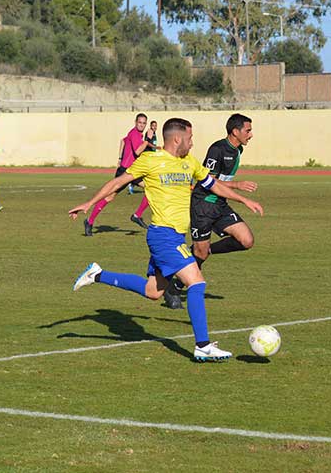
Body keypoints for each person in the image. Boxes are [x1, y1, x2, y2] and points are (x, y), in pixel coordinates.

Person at [69, 118, 264, 362]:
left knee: (153, 291)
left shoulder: (189, 162)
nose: (192, 143)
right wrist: (89, 203)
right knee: (196, 282)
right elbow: (118, 181)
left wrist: (243, 200)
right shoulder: (151, 160)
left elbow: (213, 184)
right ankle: (203, 345)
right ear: (177, 139)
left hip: (174, 236)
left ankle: (97, 274)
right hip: (163, 236)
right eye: (190, 138)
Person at [163, 113, 257, 309]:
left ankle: (204, 250)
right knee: (201, 252)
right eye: (248, 130)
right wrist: (237, 185)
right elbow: (208, 180)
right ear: (235, 131)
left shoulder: (237, 149)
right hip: (203, 205)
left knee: (246, 240)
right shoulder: (217, 149)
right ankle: (174, 288)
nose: (251, 134)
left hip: (220, 204)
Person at [84, 113, 154, 236]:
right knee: (109, 197)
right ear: (135, 122)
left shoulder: (136, 134)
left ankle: (137, 215)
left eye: (144, 123)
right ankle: (89, 221)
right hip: (125, 171)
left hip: (132, 171)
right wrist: (148, 140)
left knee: (152, 188)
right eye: (140, 122)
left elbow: (123, 141)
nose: (141, 125)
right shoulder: (134, 134)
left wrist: (120, 158)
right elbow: (138, 151)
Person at [128, 120, 160, 195]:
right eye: (153, 125)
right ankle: (135, 183)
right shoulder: (149, 133)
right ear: (150, 126)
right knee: (148, 171)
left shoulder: (154, 133)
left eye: (155, 125)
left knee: (149, 171)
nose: (154, 127)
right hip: (147, 154)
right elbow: (146, 142)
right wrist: (155, 147)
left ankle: (136, 183)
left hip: (152, 154)